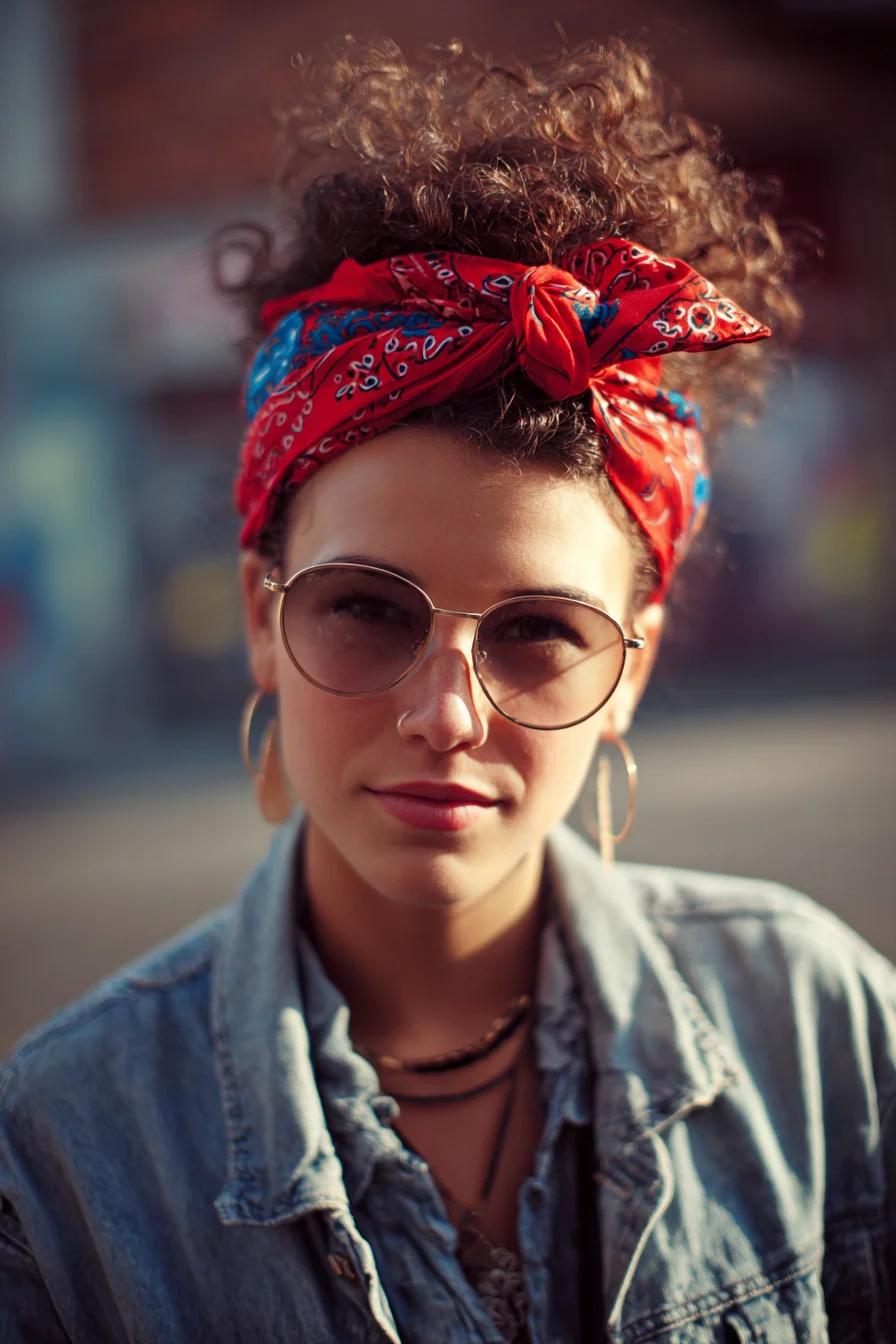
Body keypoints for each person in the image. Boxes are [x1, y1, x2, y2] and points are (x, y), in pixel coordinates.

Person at [1, 36, 893, 1344]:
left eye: (538, 633)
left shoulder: (823, 1034)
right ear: (262, 615)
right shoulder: (60, 1158)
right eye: (366, 610)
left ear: (632, 664)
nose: (447, 715)